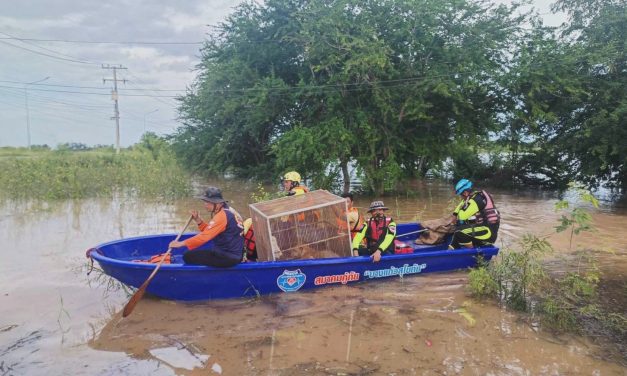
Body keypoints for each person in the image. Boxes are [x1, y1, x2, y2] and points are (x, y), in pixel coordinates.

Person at [169, 186, 244, 267]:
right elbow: (211, 231)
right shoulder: (228, 210)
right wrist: (198, 220)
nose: (205, 205)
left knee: (188, 256)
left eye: (208, 202)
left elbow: (204, 237)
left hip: (228, 257)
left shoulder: (221, 216)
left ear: (218, 203)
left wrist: (180, 243)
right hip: (234, 253)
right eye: (205, 202)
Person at [449, 178, 500, 249]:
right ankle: (451, 250)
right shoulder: (474, 196)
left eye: (461, 195)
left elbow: (462, 217)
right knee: (457, 231)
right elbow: (461, 205)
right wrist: (455, 214)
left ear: (465, 193)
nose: (461, 197)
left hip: (488, 233)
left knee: (459, 231)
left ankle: (474, 255)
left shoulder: (475, 201)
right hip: (484, 229)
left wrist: (454, 221)